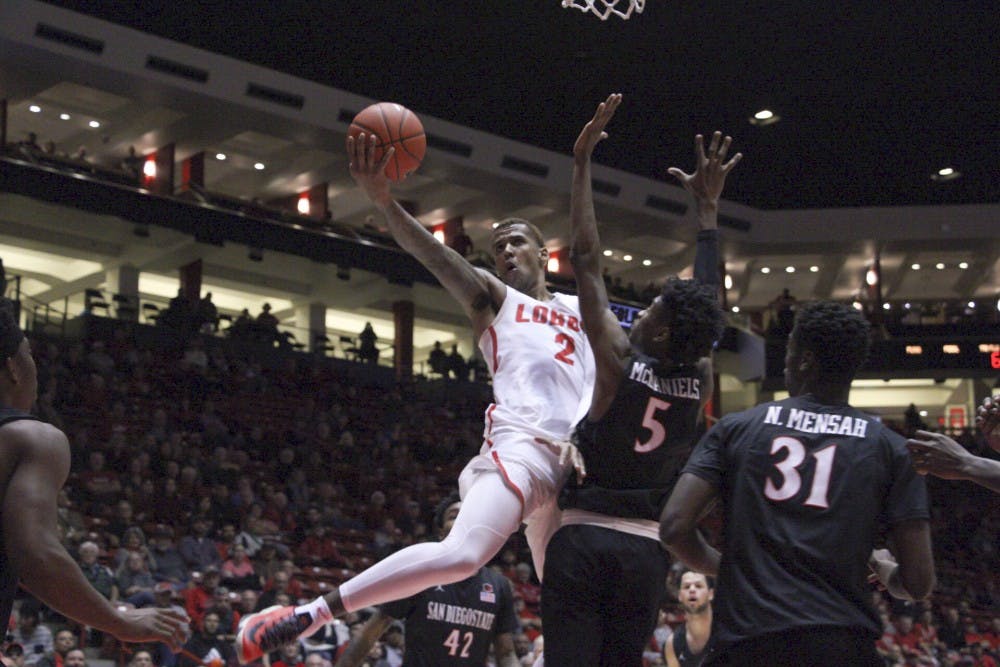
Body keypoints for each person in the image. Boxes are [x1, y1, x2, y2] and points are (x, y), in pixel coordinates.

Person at [237, 103, 597, 664]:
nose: (504, 251)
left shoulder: (583, 309)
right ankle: (308, 615)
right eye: (497, 245)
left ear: (544, 255)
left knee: (579, 614)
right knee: (464, 554)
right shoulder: (497, 302)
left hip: (576, 468)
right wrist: (384, 201)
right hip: (523, 446)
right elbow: (438, 257)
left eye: (516, 242)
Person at [536, 96, 732, 666]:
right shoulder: (700, 375)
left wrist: (580, 164)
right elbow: (708, 307)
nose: (642, 313)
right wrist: (708, 221)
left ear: (665, 335)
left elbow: (587, 259)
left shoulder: (620, 362)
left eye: (653, 312)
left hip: (585, 537)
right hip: (646, 553)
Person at [660, 300, 936, 666]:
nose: (785, 361)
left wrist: (725, 567)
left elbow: (674, 526)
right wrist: (883, 567)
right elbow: (918, 583)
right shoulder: (891, 448)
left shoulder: (737, 428)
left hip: (748, 643)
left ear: (804, 359)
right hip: (842, 645)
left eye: (789, 351)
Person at [0, 298, 188, 649]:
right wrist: (118, 621)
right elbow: (33, 553)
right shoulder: (31, 438)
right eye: (31, 358)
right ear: (13, 367)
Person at [332, 492, 519, 667]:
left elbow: (506, 653)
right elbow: (370, 634)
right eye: (454, 516)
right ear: (440, 531)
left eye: (470, 515)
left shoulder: (498, 585)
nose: (463, 520)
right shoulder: (420, 572)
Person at [665, 572, 715, 667]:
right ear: (680, 596)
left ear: (711, 594)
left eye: (698, 586)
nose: (692, 590)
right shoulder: (672, 643)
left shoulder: (730, 631)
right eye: (686, 587)